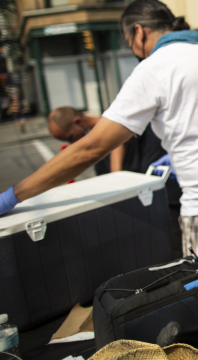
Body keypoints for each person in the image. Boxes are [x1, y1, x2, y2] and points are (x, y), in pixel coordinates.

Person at [0, 0, 198, 360]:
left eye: (130, 44)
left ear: (139, 32)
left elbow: (90, 147)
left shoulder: (155, 68)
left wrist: (13, 196)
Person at [47, 106, 183, 259]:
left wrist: (116, 180)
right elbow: (105, 174)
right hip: (144, 201)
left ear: (78, 122)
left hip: (164, 196)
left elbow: (118, 141)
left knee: (172, 249)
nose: (72, 143)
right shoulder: (95, 136)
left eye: (70, 137)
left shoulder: (112, 124)